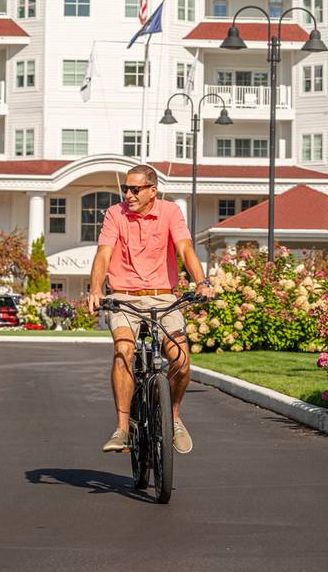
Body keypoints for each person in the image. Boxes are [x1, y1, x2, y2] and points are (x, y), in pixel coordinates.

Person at [87, 164, 213, 455]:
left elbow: (184, 248)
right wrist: (96, 289)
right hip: (124, 297)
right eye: (125, 189)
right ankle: (122, 429)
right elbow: (103, 254)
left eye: (135, 189)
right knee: (124, 350)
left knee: (180, 361)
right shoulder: (114, 214)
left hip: (163, 297)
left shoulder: (170, 212)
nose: (128, 194)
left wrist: (201, 282)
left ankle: (173, 417)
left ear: (152, 190)